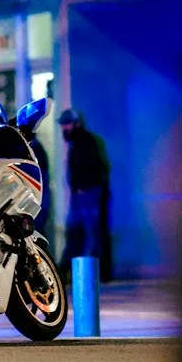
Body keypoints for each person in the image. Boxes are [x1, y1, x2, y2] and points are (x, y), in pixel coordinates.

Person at [58, 109, 112, 281]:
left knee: (90, 234)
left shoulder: (85, 142)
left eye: (67, 124)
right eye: (63, 125)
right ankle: (71, 271)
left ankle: (93, 274)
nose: (64, 128)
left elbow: (97, 169)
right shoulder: (78, 143)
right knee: (78, 233)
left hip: (88, 195)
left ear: (77, 124)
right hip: (82, 195)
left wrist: (83, 187)